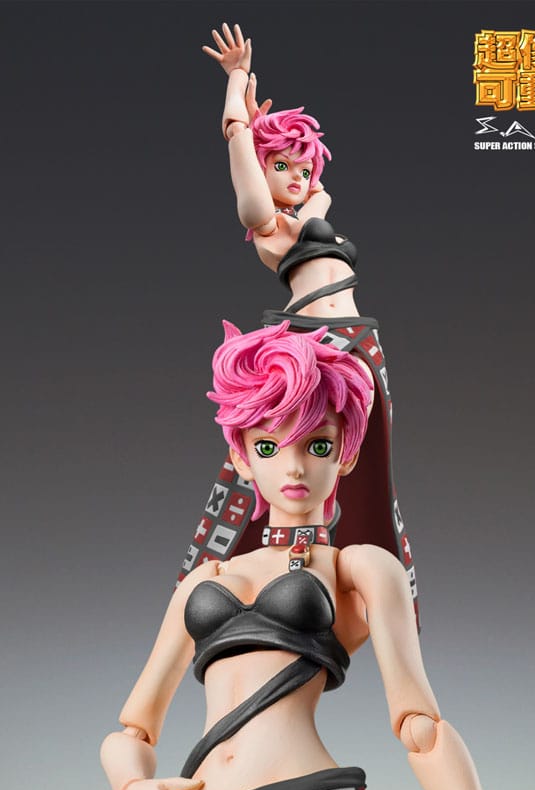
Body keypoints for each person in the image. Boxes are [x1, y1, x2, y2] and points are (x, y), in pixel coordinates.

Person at [101, 322, 535, 790]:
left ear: (348, 453)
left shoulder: (359, 568)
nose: (294, 467)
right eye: (268, 446)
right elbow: (133, 729)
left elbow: (423, 731)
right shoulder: (201, 581)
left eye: (318, 444)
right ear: (241, 457)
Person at [177, 24, 419, 629]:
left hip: (362, 343)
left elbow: (318, 190)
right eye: (279, 166)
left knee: (370, 471)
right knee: (283, 446)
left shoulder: (312, 207)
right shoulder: (269, 226)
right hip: (316, 340)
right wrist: (238, 105)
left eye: (301, 166)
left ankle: (364, 597)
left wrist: (276, 137)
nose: (294, 175)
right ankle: (258, 587)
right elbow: (246, 167)